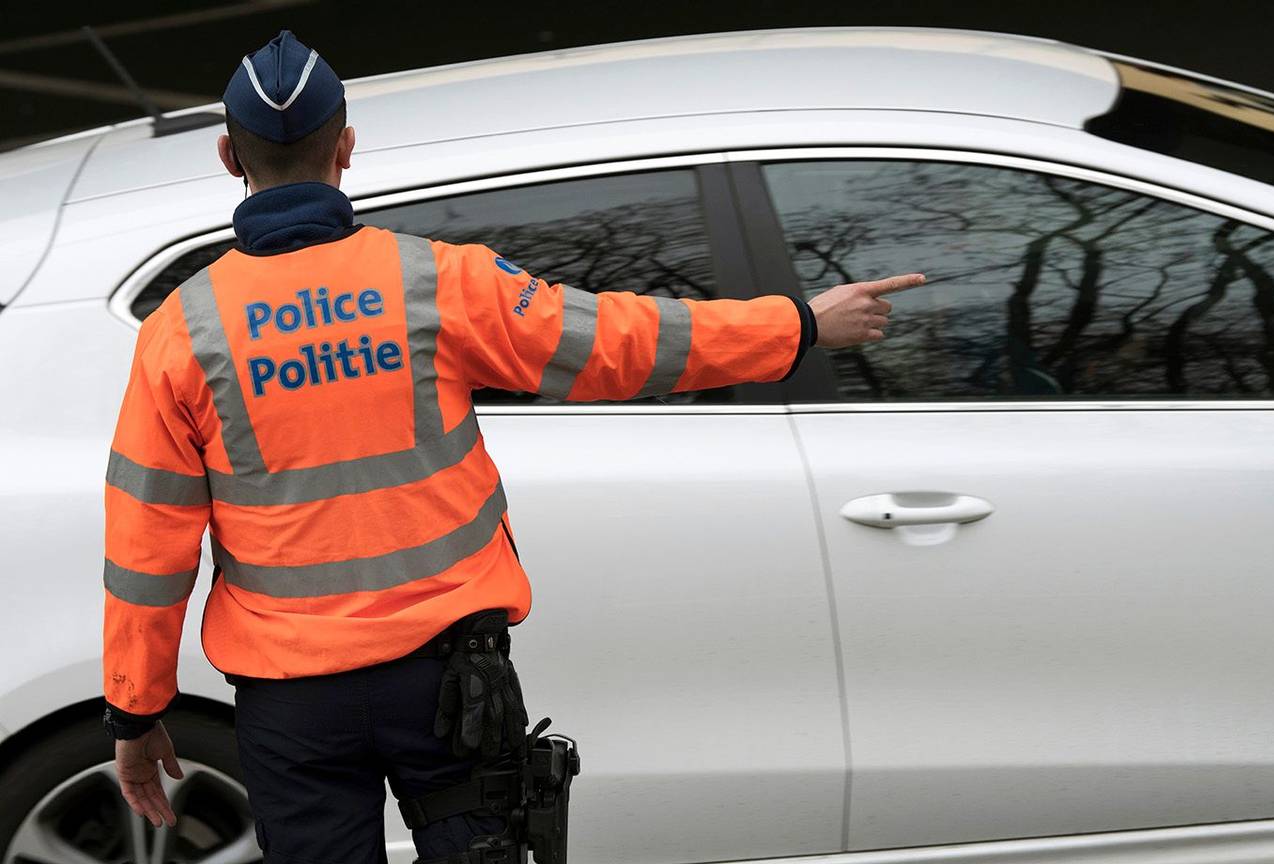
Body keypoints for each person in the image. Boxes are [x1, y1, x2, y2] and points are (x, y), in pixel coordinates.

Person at [101, 30, 925, 864]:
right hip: (448, 684)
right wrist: (801, 323)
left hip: (291, 705)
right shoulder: (434, 283)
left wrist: (134, 713)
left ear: (226, 156)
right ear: (346, 147)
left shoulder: (181, 334)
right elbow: (617, 344)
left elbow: (147, 548)